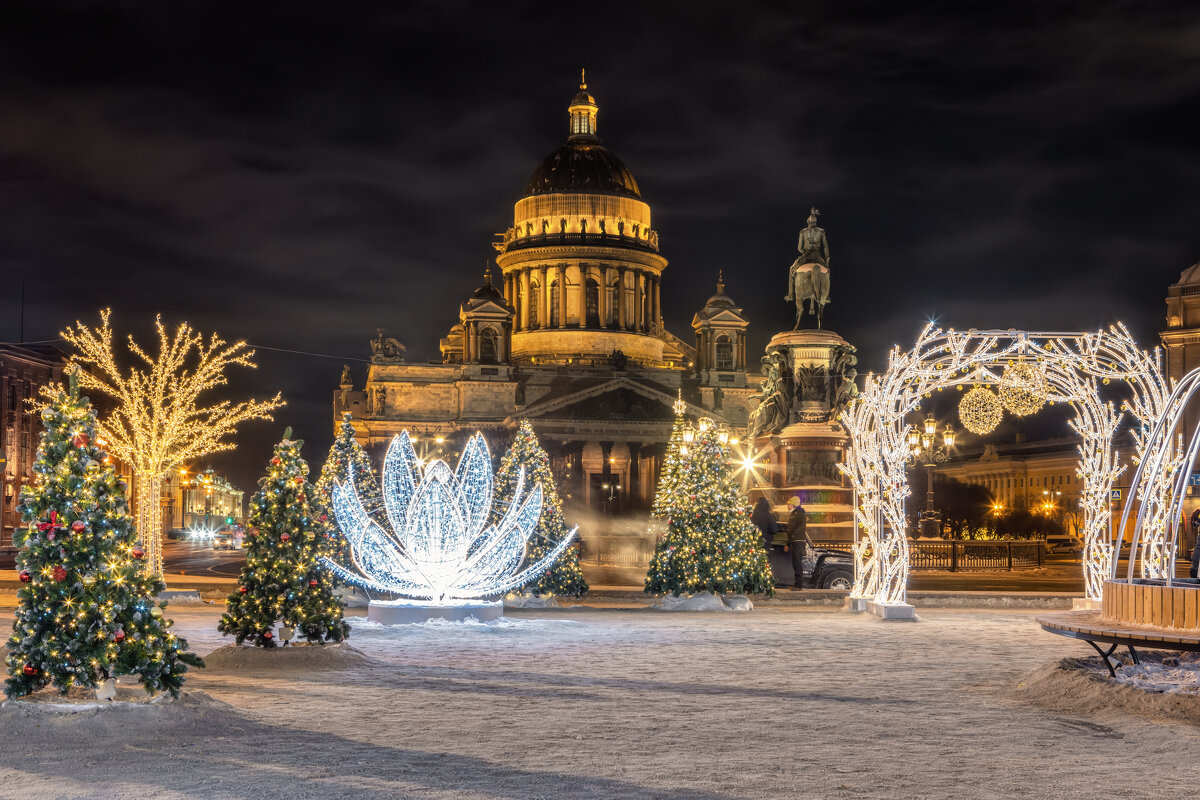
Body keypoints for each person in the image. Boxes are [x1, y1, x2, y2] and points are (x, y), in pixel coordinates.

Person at [785, 504, 808, 589]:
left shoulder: (797, 514)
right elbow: (790, 530)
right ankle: (797, 584)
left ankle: (799, 584)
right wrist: (788, 542)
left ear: (794, 505)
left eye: (789, 504)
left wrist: (792, 537)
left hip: (797, 541)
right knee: (796, 563)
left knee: (797, 563)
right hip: (795, 541)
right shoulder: (794, 514)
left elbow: (794, 529)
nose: (787, 506)